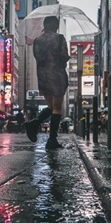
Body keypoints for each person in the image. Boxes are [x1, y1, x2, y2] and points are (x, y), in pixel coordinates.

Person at [25, 16, 70, 149]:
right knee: (57, 107)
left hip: (43, 76)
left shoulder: (37, 40)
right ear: (55, 26)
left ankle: (34, 123)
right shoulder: (60, 38)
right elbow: (64, 56)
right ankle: (52, 139)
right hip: (57, 75)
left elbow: (37, 57)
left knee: (50, 106)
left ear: (45, 26)